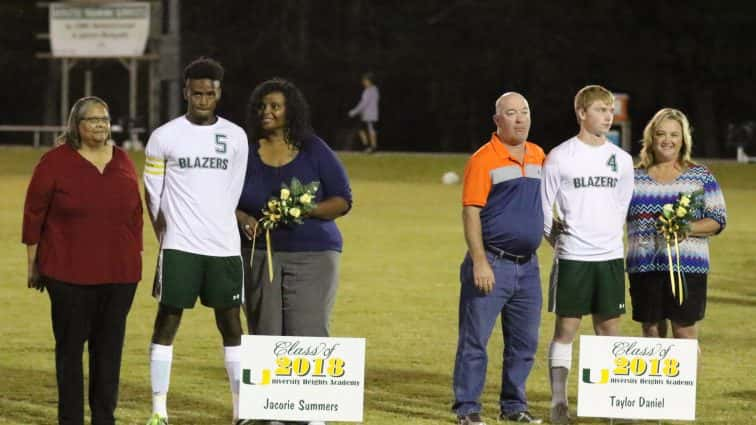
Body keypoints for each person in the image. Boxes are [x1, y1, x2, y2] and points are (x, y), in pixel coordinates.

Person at [236, 78, 352, 425]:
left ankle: (310, 413)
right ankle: (269, 412)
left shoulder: (313, 148)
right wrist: (242, 217)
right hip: (259, 253)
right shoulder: (244, 150)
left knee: (308, 331)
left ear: (291, 111)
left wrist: (304, 209)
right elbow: (223, 197)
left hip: (314, 254)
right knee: (264, 331)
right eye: (262, 106)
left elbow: (342, 199)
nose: (267, 112)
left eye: (275, 106)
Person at [142, 57, 251, 425]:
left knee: (231, 323)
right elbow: (152, 192)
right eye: (197, 93)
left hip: (223, 246)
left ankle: (240, 410)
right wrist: (165, 232)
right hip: (180, 245)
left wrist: (221, 221)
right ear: (186, 92)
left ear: (219, 94)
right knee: (168, 320)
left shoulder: (236, 137)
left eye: (210, 93)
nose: (203, 99)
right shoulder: (164, 136)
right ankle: (159, 410)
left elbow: (233, 188)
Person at [22, 96, 143, 425]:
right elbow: (34, 214)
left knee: (108, 353)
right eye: (93, 119)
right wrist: (33, 264)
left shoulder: (122, 159)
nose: (102, 125)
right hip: (67, 274)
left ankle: (105, 418)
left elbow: (135, 212)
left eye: (105, 119)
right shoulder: (54, 162)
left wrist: (136, 256)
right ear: (77, 124)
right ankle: (70, 419)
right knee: (70, 352)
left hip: (119, 276)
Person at [540, 85, 634, 425]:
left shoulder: (622, 161)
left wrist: (608, 239)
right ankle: (558, 403)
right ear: (581, 113)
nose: (608, 116)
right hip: (573, 258)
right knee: (566, 330)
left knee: (610, 331)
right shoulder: (560, 156)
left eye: (610, 110)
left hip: (609, 258)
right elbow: (543, 209)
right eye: (600, 110)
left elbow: (621, 206)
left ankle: (612, 407)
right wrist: (561, 243)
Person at [452, 92, 544, 425]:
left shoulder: (538, 155)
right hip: (493, 263)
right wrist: (479, 260)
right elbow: (471, 212)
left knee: (525, 343)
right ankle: (468, 409)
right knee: (475, 341)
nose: (519, 119)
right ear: (497, 121)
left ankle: (514, 406)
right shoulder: (483, 159)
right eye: (511, 113)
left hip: (529, 267)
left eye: (524, 112)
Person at [626, 108, 726, 339]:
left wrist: (686, 228)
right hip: (644, 266)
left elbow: (718, 219)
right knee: (651, 333)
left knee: (684, 334)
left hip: (688, 267)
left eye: (674, 135)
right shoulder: (633, 177)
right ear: (652, 137)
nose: (667, 140)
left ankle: (690, 378)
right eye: (661, 134)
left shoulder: (700, 176)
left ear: (683, 140)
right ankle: (654, 378)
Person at [348, 72, 379, 153]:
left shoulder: (370, 91)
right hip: (368, 114)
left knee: (370, 130)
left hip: (370, 115)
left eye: (365, 81)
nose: (363, 82)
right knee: (362, 129)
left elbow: (363, 104)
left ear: (369, 81)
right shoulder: (374, 90)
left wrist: (354, 112)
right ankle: (368, 146)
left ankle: (372, 147)